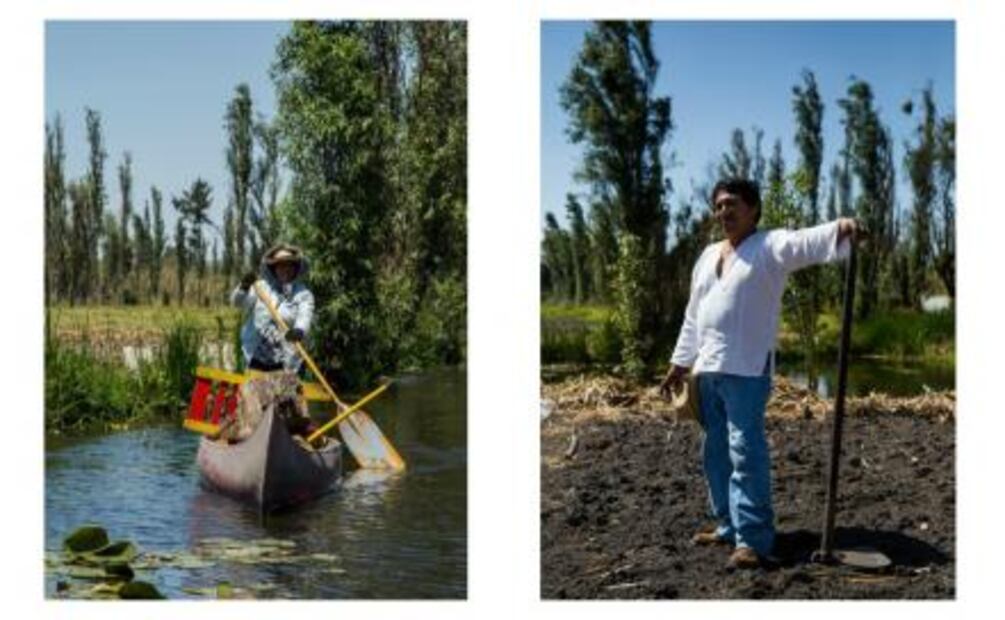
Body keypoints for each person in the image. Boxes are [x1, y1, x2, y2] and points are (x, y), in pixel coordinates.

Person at [659, 178, 859, 569]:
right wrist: (679, 363)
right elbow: (694, 315)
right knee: (714, 451)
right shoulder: (707, 255)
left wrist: (840, 229)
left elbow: (804, 242)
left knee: (745, 452)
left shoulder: (769, 246)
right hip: (707, 369)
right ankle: (728, 526)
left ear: (753, 209)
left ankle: (753, 539)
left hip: (747, 369)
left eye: (732, 204)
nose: (724, 212)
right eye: (718, 206)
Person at [230, 244, 315, 373]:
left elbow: (305, 316)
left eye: (289, 265)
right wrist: (244, 287)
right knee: (256, 391)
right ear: (273, 268)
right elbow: (238, 303)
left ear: (296, 268)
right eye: (280, 265)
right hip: (257, 356)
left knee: (284, 392)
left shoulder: (303, 294)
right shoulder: (260, 287)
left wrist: (299, 331)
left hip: (286, 359)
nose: (285, 269)